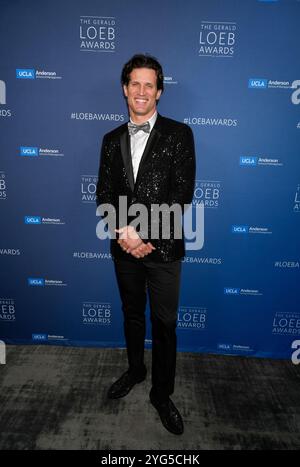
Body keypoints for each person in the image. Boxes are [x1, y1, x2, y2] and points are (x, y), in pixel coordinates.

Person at [96, 54, 196, 435]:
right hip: (123, 247)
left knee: (165, 324)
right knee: (132, 315)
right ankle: (136, 370)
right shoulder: (110, 141)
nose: (141, 91)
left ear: (159, 92)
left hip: (164, 248)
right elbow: (104, 195)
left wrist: (144, 234)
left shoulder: (179, 134)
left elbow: (181, 195)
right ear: (125, 89)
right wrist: (125, 232)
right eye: (134, 84)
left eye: (148, 85)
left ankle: (161, 392)